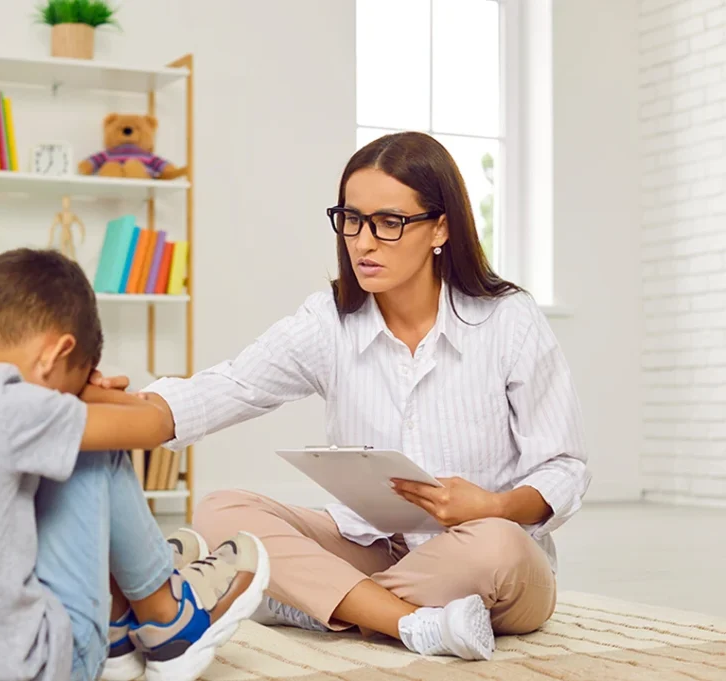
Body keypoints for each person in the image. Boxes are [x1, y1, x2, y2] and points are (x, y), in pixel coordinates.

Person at [92, 131, 589, 661]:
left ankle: (314, 602)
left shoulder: (508, 319)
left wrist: (492, 505)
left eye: (389, 223)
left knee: (497, 546)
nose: (364, 242)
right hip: (371, 546)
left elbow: (564, 466)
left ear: (441, 227)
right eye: (351, 219)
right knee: (220, 512)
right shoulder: (329, 319)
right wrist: (112, 402)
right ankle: (406, 622)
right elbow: (231, 386)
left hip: (488, 559)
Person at [0, 248, 270, 681]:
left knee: (62, 437)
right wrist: (89, 394)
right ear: (54, 352)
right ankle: (168, 618)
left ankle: (120, 622)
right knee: (93, 442)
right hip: (38, 670)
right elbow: (151, 425)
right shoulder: (11, 410)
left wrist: (68, 388)